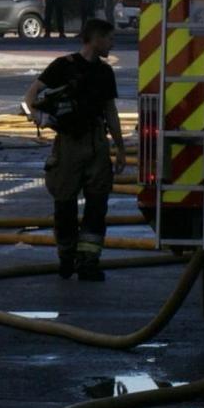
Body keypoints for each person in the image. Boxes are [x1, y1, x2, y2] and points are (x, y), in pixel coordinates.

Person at [25, 18, 127, 281]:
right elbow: (31, 97)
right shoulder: (63, 66)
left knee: (97, 204)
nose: (112, 43)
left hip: (96, 142)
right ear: (95, 39)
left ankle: (88, 263)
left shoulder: (105, 73)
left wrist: (120, 147)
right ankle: (67, 257)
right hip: (69, 142)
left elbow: (110, 112)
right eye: (109, 38)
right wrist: (41, 118)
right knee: (65, 202)